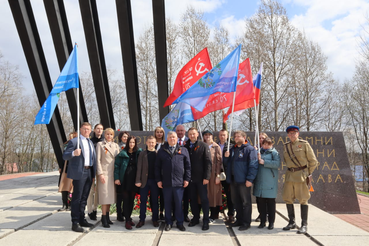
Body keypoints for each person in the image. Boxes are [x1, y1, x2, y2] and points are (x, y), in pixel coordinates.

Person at [282, 125, 317, 234]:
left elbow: (313, 161)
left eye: (294, 133)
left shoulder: (304, 144)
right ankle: (291, 222)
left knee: (303, 199)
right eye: (290, 133)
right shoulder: (286, 146)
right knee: (288, 198)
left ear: (298, 134)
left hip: (301, 176)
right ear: (288, 135)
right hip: (289, 175)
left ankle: (304, 225)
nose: (292, 135)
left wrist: (307, 173)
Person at [63, 122, 97, 233]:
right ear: (80, 130)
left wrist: (93, 174)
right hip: (79, 172)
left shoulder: (90, 142)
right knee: (77, 198)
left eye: (88, 129)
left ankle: (82, 219)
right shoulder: (74, 142)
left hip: (89, 172)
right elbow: (65, 155)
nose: (87, 131)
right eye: (84, 129)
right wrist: (73, 153)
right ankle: (75, 222)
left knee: (84, 198)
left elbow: (93, 158)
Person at [155, 131, 191, 231]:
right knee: (167, 203)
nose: (172, 139)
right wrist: (158, 180)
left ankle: (180, 223)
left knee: (179, 203)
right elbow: (157, 167)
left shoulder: (183, 150)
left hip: (179, 183)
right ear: (167, 138)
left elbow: (188, 166)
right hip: (166, 183)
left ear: (176, 139)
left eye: (174, 137)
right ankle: (168, 222)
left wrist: (187, 179)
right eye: (170, 137)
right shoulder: (162, 150)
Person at [224, 130, 258, 231]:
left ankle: (246, 222)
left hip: (244, 181)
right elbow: (227, 164)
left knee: (246, 202)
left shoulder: (250, 149)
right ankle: (239, 220)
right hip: (234, 180)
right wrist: (226, 157)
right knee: (236, 201)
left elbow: (253, 165)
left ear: (244, 137)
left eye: (238, 136)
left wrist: (250, 179)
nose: (236, 138)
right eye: (235, 137)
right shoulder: (233, 149)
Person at [184, 127, 212, 230]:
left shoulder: (203, 146)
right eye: (190, 134)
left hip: (201, 179)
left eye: (194, 134)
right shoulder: (185, 146)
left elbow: (208, 162)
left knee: (204, 199)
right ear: (188, 135)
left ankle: (205, 220)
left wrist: (207, 176)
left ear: (197, 135)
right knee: (193, 199)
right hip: (190, 179)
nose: (192, 136)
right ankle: (195, 218)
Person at [114, 136, 142, 230]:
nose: (131, 144)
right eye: (130, 142)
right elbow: (117, 166)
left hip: (134, 180)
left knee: (131, 200)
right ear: (127, 143)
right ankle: (127, 221)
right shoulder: (122, 153)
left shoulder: (138, 153)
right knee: (125, 200)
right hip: (125, 179)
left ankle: (129, 217)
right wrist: (117, 178)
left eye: (133, 143)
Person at [253, 137, 280, 230]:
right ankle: (262, 222)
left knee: (271, 204)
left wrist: (264, 162)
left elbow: (277, 164)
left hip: (270, 182)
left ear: (271, 145)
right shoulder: (258, 152)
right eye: (264, 144)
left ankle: (271, 222)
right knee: (261, 204)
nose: (266, 146)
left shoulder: (274, 153)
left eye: (268, 144)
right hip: (260, 181)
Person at [96, 128, 120, 228]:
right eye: (107, 134)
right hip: (104, 173)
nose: (109, 136)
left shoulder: (116, 145)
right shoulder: (100, 145)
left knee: (110, 197)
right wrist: (100, 173)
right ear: (104, 135)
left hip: (113, 174)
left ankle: (108, 216)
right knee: (104, 197)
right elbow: (97, 160)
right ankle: (104, 217)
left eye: (111, 134)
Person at [135, 136, 160, 228]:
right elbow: (139, 168)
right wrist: (138, 180)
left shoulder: (158, 154)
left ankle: (155, 219)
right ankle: (142, 219)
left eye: (153, 142)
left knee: (154, 201)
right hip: (144, 181)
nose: (151, 144)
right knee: (143, 201)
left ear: (155, 143)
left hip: (155, 182)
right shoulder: (142, 154)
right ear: (146, 143)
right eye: (149, 142)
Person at [202, 130, 222, 222]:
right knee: (205, 194)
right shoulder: (201, 145)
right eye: (206, 135)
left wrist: (218, 175)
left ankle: (214, 214)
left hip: (214, 174)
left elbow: (219, 161)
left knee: (214, 194)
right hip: (203, 174)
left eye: (209, 135)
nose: (207, 137)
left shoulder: (216, 147)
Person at [217, 129, 235, 224]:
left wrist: (229, 156)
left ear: (227, 136)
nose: (222, 137)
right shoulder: (215, 146)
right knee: (215, 193)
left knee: (229, 195)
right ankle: (214, 213)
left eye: (224, 135)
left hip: (227, 174)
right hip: (216, 173)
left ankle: (231, 214)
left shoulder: (231, 147)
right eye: (221, 135)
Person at [87, 123, 104, 221]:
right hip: (91, 168)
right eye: (98, 128)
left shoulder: (104, 141)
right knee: (91, 191)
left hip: (101, 169)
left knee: (98, 191)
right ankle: (89, 210)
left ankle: (95, 209)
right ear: (94, 130)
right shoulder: (90, 141)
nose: (99, 130)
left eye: (101, 129)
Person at [58, 132, 77, 211]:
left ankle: (71, 205)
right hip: (66, 168)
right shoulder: (66, 146)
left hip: (74, 168)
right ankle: (64, 204)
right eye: (70, 137)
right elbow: (62, 157)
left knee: (72, 187)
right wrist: (60, 167)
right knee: (64, 186)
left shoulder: (78, 145)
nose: (70, 138)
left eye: (72, 137)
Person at [175, 124, 190, 222]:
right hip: (176, 175)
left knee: (186, 196)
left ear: (185, 131)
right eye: (178, 131)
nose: (180, 132)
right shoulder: (172, 141)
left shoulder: (189, 142)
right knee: (175, 197)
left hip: (186, 173)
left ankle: (185, 215)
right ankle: (175, 215)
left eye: (182, 130)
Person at [254, 132, 268, 223]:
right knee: (258, 197)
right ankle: (260, 213)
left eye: (263, 138)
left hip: (266, 176)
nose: (261, 140)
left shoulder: (268, 149)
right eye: (259, 138)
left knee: (266, 197)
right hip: (257, 175)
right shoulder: (255, 148)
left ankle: (266, 214)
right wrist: (254, 152)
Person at [116, 131, 130, 222]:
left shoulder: (130, 147)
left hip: (128, 175)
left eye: (127, 137)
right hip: (120, 174)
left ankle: (125, 213)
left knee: (126, 196)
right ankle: (119, 214)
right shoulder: (117, 147)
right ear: (121, 137)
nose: (125, 138)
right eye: (124, 137)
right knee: (119, 196)